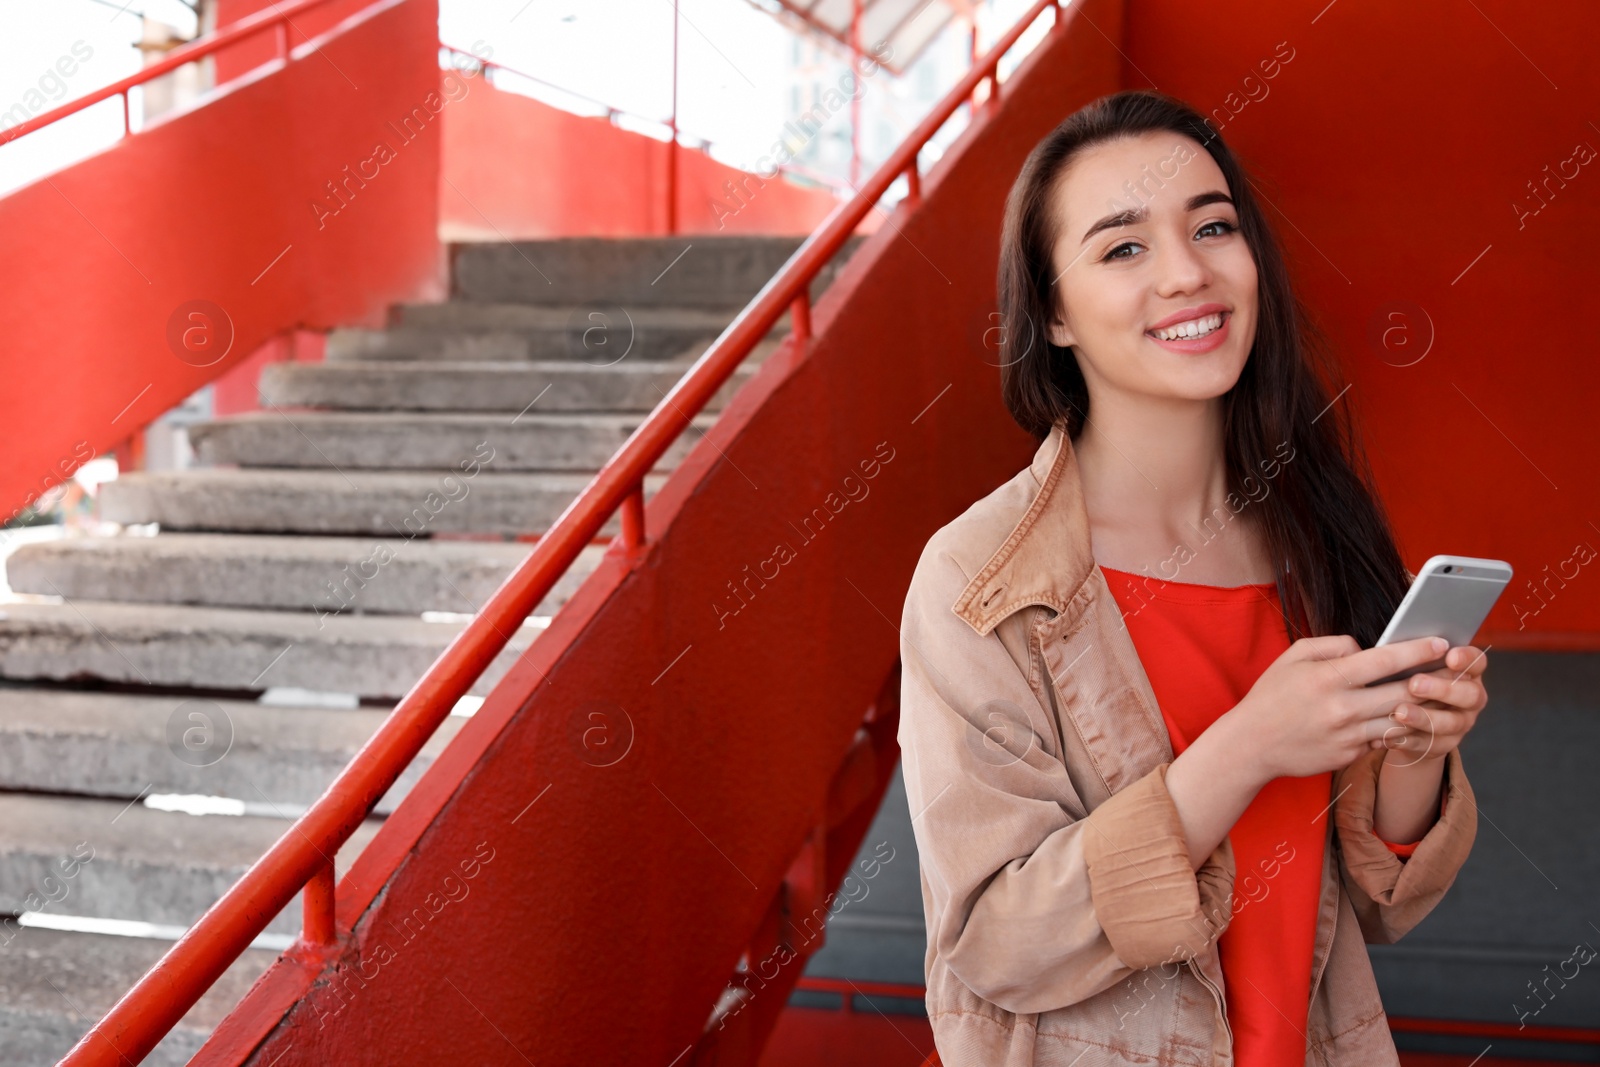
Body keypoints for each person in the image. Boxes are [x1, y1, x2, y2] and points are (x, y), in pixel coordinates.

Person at [897, 89, 1483, 1066]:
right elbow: (996, 940)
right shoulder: (977, 576)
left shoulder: (1314, 528)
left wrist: (1416, 747)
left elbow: (1379, 905)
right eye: (1121, 247)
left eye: (1212, 226)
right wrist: (1247, 745)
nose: (1186, 273)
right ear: (1052, 311)